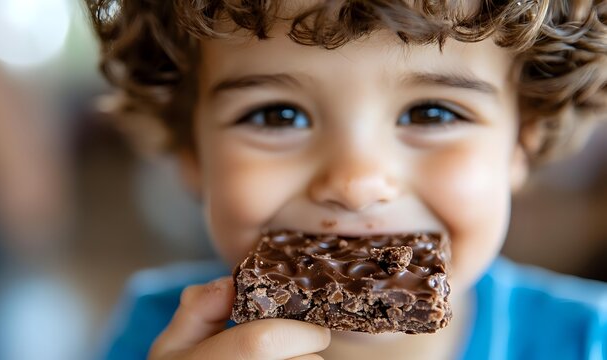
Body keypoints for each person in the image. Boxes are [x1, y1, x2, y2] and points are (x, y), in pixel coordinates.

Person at [85, 1, 607, 359]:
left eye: (430, 113)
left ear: (523, 140)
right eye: (277, 116)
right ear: (191, 150)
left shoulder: (588, 339)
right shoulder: (158, 333)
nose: (355, 183)